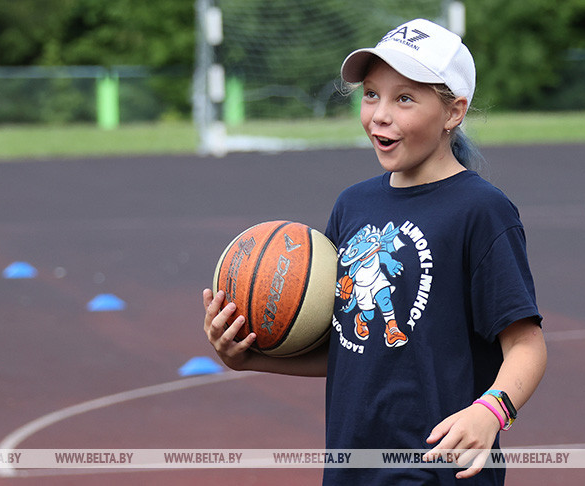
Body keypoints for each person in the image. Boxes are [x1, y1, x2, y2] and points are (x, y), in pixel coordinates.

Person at [203, 18, 547, 485]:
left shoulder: (481, 210)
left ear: (453, 112)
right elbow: (351, 348)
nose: (379, 114)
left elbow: (526, 345)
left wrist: (491, 411)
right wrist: (250, 357)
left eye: (404, 98)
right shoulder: (353, 204)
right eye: (371, 94)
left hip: (438, 469)